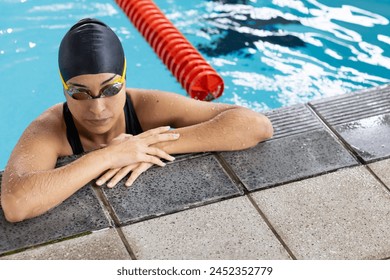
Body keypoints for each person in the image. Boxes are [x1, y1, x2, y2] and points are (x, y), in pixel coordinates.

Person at [1, 18, 273, 223]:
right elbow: (16, 204)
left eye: (110, 89)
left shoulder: (146, 105)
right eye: (79, 93)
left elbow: (256, 125)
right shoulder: (50, 127)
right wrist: (108, 156)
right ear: (63, 90)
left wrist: (148, 146)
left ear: (125, 81)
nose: (97, 108)